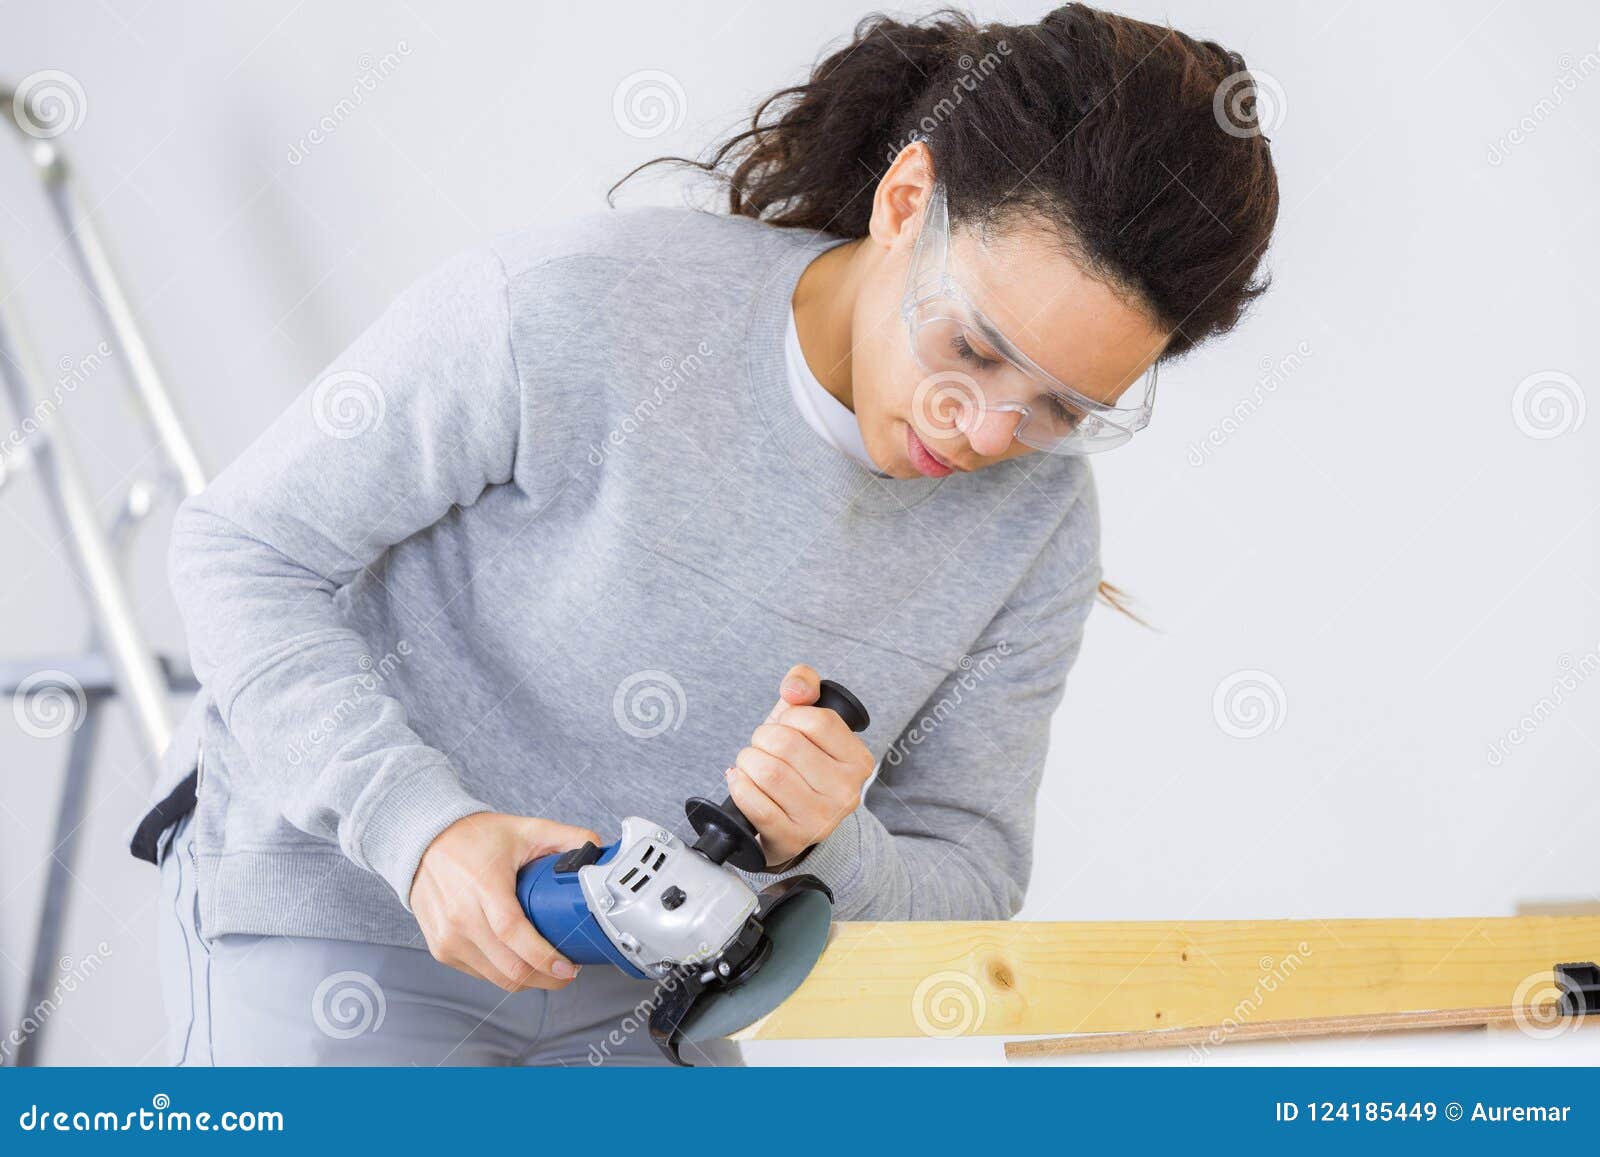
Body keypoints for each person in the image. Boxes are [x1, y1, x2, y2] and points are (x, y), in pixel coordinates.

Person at [140, 4, 1279, 1065]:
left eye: (1061, 409)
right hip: (345, 919)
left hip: (651, 995)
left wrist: (831, 841)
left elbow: (969, 873)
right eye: (974, 348)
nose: (980, 428)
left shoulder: (1036, 527)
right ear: (904, 201)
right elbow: (245, 551)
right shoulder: (571, 306)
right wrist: (421, 831)